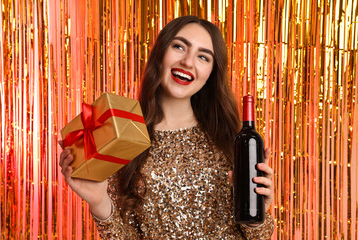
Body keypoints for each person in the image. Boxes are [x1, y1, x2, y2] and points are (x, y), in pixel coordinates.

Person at [59, 15, 274, 239]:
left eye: (203, 57)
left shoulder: (232, 140)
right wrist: (100, 203)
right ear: (160, 53)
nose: (188, 62)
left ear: (212, 73)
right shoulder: (124, 138)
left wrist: (259, 214)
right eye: (180, 46)